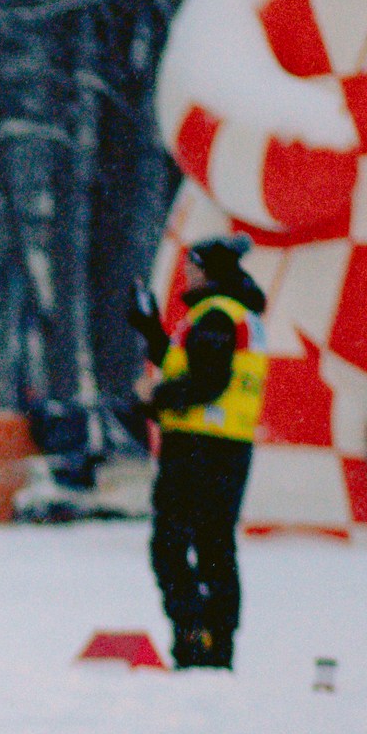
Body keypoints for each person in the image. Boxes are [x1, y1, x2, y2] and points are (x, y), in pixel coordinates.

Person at [128, 235, 269, 669]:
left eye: (193, 265)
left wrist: (155, 397)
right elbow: (192, 366)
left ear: (209, 271)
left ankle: (194, 637)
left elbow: (207, 383)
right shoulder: (233, 314)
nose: (187, 272)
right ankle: (216, 644)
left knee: (169, 547)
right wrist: (152, 330)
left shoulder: (214, 317)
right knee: (214, 546)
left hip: (197, 448)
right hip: (228, 447)